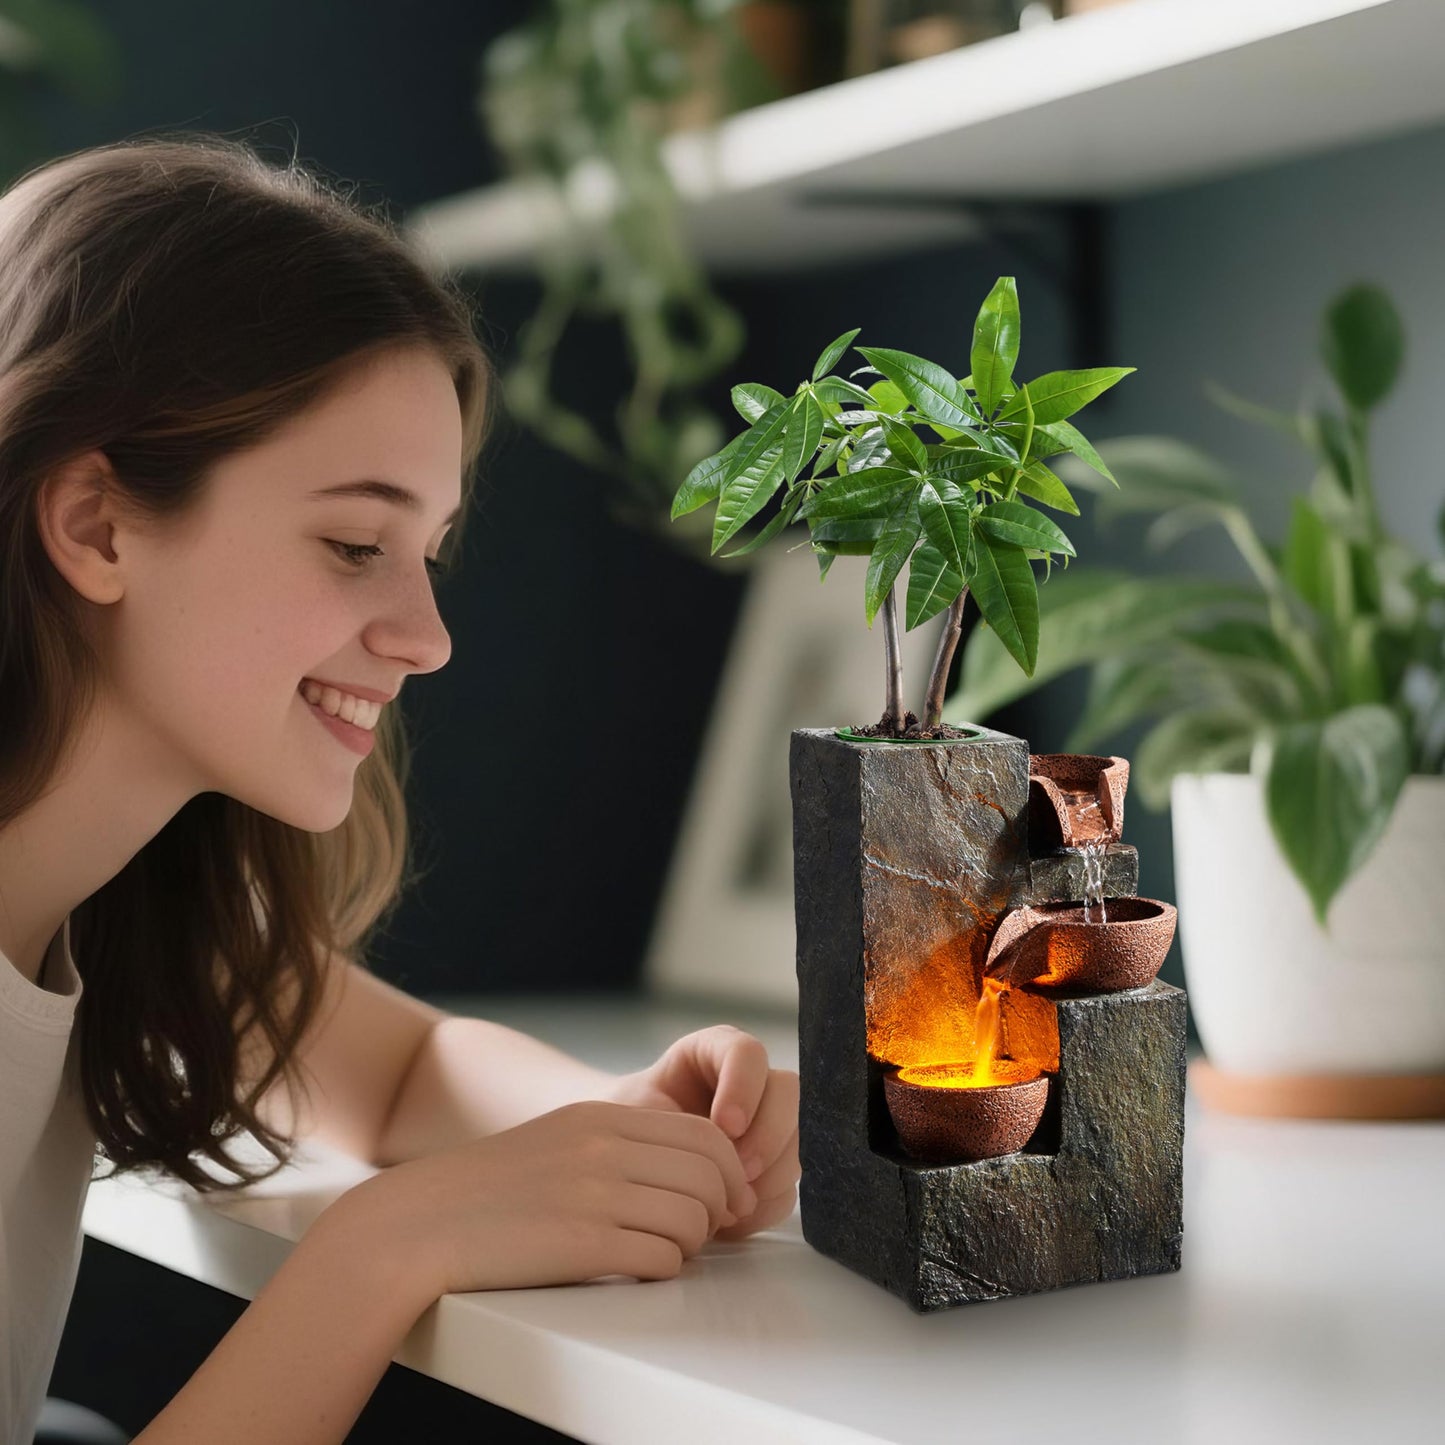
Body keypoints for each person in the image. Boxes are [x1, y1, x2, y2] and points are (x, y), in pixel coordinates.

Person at [0, 132, 801, 1444]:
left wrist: (627, 1125)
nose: (427, 636)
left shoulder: (110, 890)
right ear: (95, 523)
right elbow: (396, 1167)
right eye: (356, 544)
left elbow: (401, 1068)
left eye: (427, 551)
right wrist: (382, 1248)